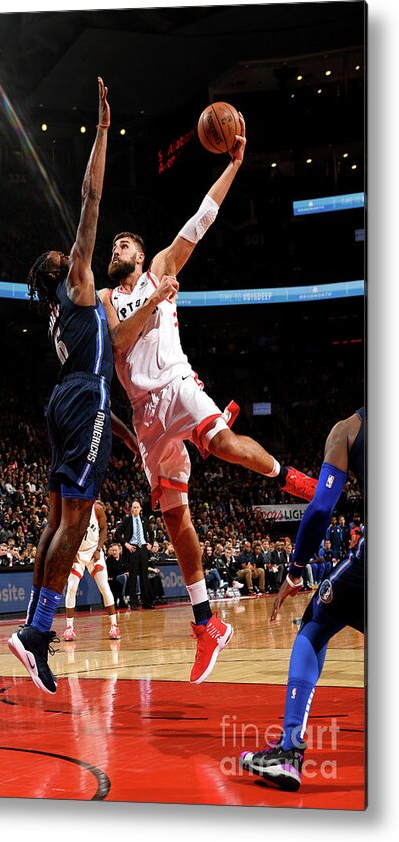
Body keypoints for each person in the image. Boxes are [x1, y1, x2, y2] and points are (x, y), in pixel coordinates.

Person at [98, 115, 317, 684]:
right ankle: (206, 623)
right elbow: (120, 339)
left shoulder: (163, 268)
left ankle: (289, 475)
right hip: (145, 419)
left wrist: (236, 163)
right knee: (175, 520)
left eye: (126, 242)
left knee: (220, 443)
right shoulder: (105, 301)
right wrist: (155, 302)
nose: (118, 245)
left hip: (175, 385)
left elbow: (202, 218)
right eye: (115, 243)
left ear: (142, 257)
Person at [7, 77, 114, 695]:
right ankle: (38, 633)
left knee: (56, 517)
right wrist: (101, 131)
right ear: (60, 269)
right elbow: (91, 198)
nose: (68, 249)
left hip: (65, 400)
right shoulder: (75, 280)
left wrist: (120, 432)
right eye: (64, 252)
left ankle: (32, 629)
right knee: (77, 517)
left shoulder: (60, 310)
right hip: (85, 395)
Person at [240, 408, 365, 792]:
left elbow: (321, 509)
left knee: (316, 623)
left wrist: (295, 571)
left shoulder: (348, 429)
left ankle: (289, 749)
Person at [63, 500, 120, 641]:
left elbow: (104, 528)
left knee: (104, 587)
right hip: (78, 553)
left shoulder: (97, 508)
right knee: (71, 588)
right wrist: (71, 552)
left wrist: (99, 549)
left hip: (94, 551)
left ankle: (114, 625)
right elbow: (66, 533)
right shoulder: (71, 509)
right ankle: (69, 628)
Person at [114, 500, 155, 609]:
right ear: (131, 509)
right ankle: (133, 602)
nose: (136, 509)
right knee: (132, 577)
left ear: (140, 509)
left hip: (143, 549)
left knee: (144, 576)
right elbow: (117, 534)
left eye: (138, 507)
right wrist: (126, 545)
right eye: (134, 507)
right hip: (133, 549)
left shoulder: (144, 520)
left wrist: (150, 544)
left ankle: (146, 602)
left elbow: (151, 533)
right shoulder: (127, 520)